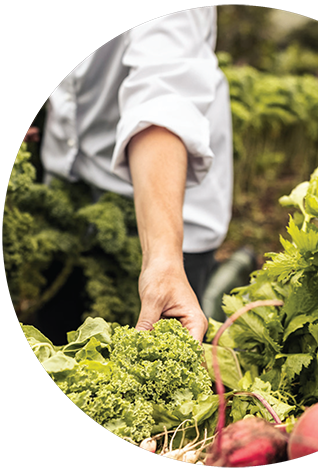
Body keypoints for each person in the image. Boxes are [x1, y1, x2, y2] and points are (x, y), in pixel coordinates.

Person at [40, 7, 233, 343]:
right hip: (66, 184)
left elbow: (162, 98)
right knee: (54, 338)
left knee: (152, 354)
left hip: (166, 204)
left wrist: (163, 261)